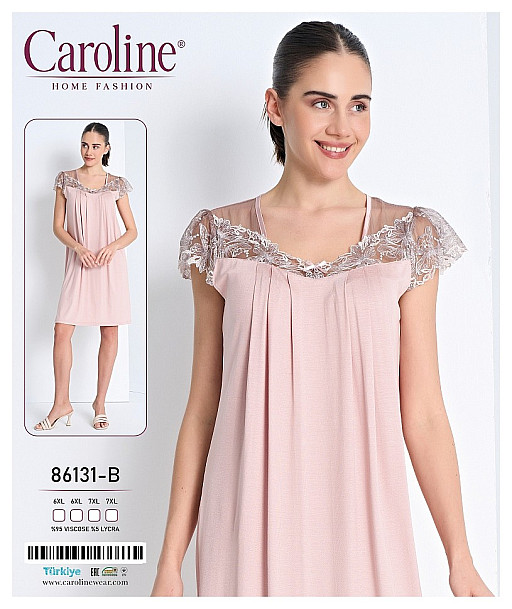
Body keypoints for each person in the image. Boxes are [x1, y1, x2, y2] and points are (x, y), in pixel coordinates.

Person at [152, 22, 493, 596]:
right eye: (320, 103)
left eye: (359, 105)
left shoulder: (409, 238)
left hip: (368, 528)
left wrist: (461, 559)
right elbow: (203, 411)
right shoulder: (219, 237)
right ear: (275, 107)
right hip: (247, 527)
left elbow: (425, 413)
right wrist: (169, 567)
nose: (342, 127)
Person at [34, 122, 137, 432]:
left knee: (110, 332)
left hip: (108, 266)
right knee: (61, 330)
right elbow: (58, 227)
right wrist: (78, 248)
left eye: (95, 146)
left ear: (106, 148)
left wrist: (111, 247)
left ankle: (100, 403)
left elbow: (132, 230)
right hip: (79, 264)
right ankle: (61, 403)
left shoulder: (116, 184)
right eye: (84, 144)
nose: (88, 151)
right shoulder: (65, 180)